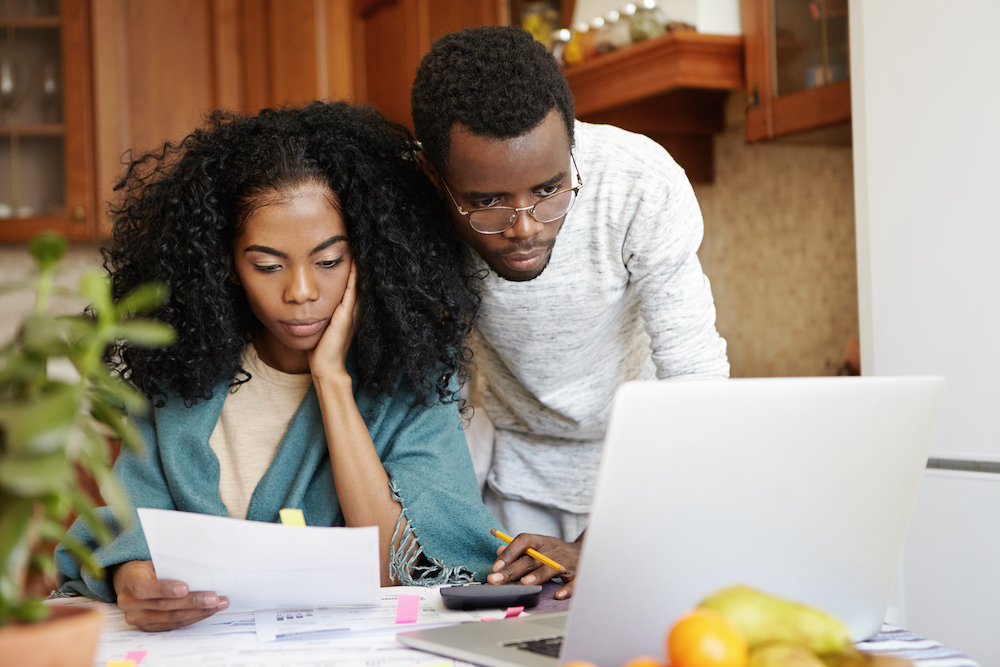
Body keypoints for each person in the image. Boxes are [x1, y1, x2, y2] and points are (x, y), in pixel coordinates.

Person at [56, 102, 502, 631]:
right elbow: (127, 530)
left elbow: (408, 568)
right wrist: (135, 581)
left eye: (329, 261)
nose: (302, 292)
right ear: (226, 264)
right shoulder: (178, 378)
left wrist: (332, 381)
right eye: (267, 265)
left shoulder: (413, 382)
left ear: (372, 254)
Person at [410, 26, 730, 598]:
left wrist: (604, 543)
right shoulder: (413, 213)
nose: (525, 226)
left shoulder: (640, 183)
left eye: (550, 189)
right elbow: (435, 391)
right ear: (437, 179)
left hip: (651, 471)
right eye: (487, 203)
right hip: (512, 479)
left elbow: (696, 381)